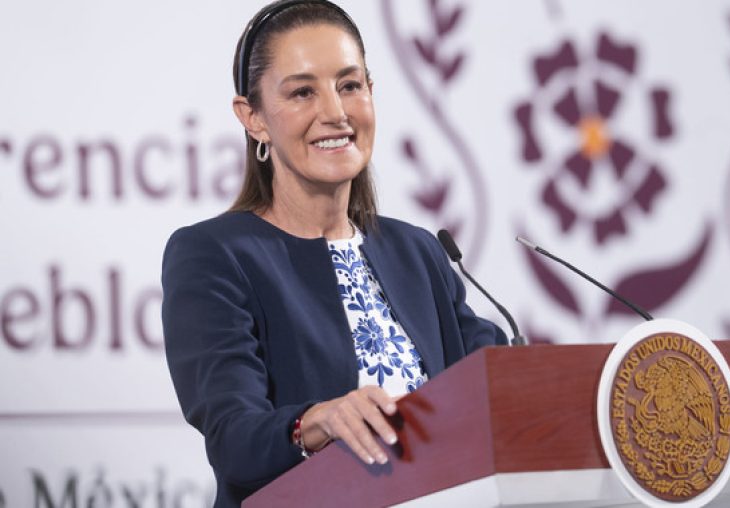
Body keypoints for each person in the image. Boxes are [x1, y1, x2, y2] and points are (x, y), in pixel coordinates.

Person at [160, 1, 508, 506]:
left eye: (350, 85)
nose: (335, 112)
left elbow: (494, 379)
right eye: (303, 92)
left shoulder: (418, 252)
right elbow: (235, 440)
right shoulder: (213, 255)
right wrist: (314, 421)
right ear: (253, 118)